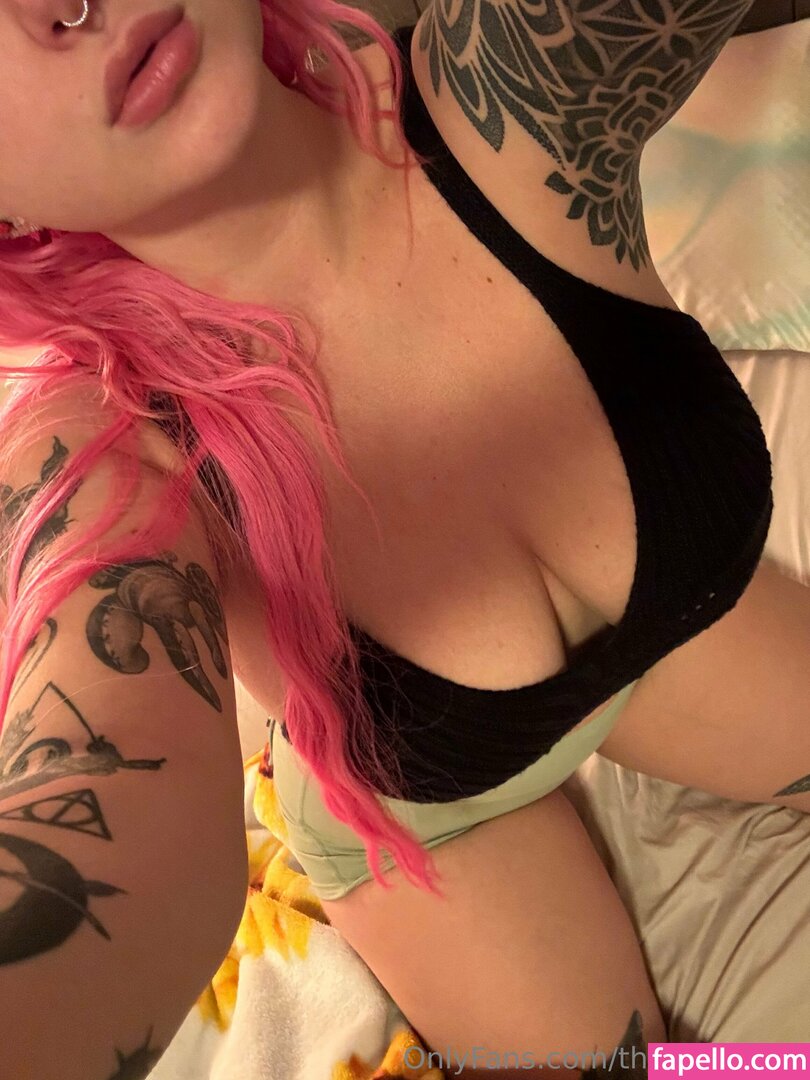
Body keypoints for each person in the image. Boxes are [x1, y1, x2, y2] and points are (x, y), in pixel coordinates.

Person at [0, 2, 806, 1077]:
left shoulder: (512, 104)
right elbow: (96, 838)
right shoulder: (101, 444)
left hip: (666, 624)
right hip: (425, 812)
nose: (58, 7)